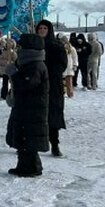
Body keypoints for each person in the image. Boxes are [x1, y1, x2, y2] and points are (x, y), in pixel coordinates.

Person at [5, 34, 49, 177]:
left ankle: (31, 167)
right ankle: (24, 165)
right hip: (26, 107)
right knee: (24, 138)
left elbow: (26, 83)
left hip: (32, 109)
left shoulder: (35, 65)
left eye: (21, 46)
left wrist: (14, 74)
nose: (18, 49)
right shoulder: (27, 63)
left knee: (28, 139)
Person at [36, 20, 68, 156]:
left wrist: (48, 71)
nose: (42, 30)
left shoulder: (56, 45)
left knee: (52, 115)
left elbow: (63, 64)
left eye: (45, 28)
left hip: (53, 85)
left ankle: (54, 144)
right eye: (40, 28)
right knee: (35, 116)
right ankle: (32, 144)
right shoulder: (33, 44)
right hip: (35, 84)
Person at [60, 34, 78, 98]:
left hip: (69, 67)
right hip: (62, 67)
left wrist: (75, 64)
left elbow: (75, 57)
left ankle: (70, 93)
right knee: (62, 82)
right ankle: (62, 92)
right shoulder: (59, 48)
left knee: (69, 82)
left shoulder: (71, 48)